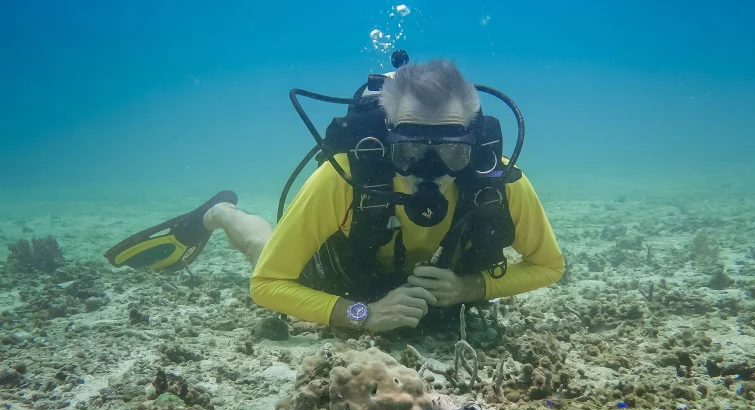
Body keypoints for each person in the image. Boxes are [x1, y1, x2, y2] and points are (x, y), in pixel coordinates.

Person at [104, 57, 565, 334]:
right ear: (387, 139)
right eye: (410, 151)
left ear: (475, 143)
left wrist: (470, 287)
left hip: (441, 293)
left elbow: (550, 266)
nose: (430, 170)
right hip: (348, 280)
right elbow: (266, 283)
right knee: (264, 249)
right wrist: (361, 314)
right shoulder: (343, 176)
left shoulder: (499, 181)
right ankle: (221, 212)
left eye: (450, 151)